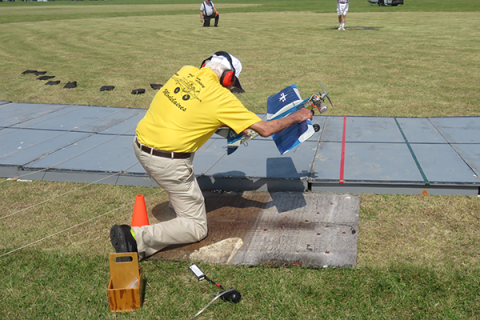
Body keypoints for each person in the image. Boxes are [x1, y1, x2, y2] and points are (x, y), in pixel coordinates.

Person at [110, 51, 313, 260]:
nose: (230, 89)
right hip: (166, 162)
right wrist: (298, 115)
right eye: (231, 84)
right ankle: (135, 237)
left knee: (183, 170)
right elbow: (266, 129)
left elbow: (193, 109)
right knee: (195, 227)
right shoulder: (221, 98)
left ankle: (141, 247)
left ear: (205, 64)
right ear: (228, 78)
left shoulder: (185, 71)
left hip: (140, 144)